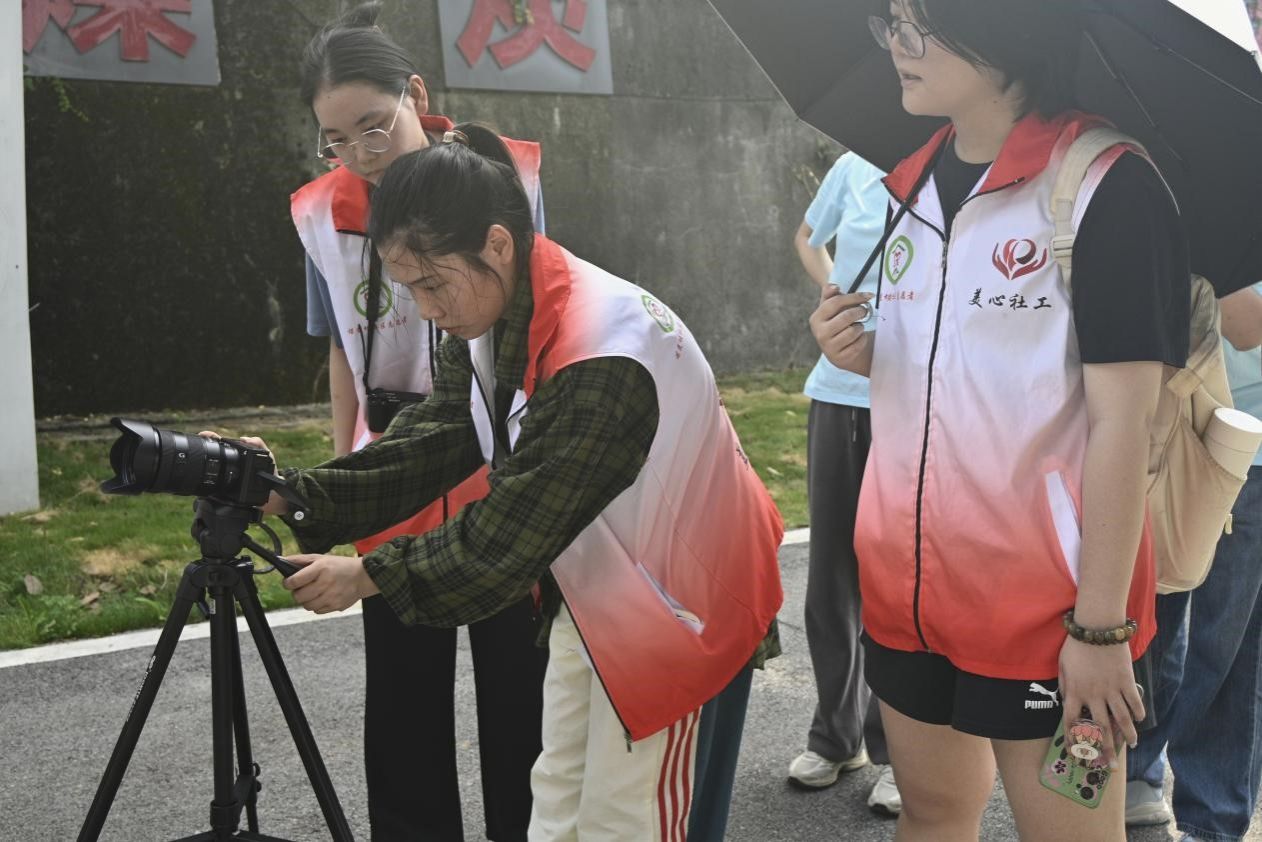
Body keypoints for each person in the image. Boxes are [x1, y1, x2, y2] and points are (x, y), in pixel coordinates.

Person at [237, 124, 784, 840]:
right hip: (598, 584)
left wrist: (368, 575)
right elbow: (434, 438)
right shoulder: (499, 308)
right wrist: (290, 493)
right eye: (410, 289)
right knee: (555, 808)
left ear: (496, 243)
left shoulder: (604, 355)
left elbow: (507, 537)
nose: (426, 309)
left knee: (631, 822)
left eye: (432, 284)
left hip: (683, 606)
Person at [810, 1, 1190, 839]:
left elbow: (1124, 425)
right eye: (890, 23)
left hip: (1053, 617)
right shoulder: (909, 183)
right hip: (907, 596)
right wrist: (865, 354)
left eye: (920, 24)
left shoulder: (1109, 188)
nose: (898, 46)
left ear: (1003, 26)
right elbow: (958, 369)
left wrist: (1100, 632)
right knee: (933, 812)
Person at [290, 5, 547, 839]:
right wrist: (341, 476)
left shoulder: (504, 178)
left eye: (375, 126)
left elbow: (538, 316)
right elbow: (340, 347)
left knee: (519, 689)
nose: (362, 153)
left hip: (491, 442)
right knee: (403, 699)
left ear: (417, 95)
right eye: (337, 139)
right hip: (394, 463)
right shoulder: (319, 213)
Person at [1124, 284, 1262, 842]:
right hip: (1160, 430)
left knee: (1226, 647)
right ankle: (1133, 771)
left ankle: (1211, 818)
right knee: (1147, 619)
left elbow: (1248, 327)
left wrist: (1202, 262)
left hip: (1244, 445)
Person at [787, 151, 900, 816]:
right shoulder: (854, 165)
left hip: (911, 394)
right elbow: (808, 236)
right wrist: (835, 291)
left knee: (898, 581)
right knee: (830, 576)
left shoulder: (958, 164)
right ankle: (837, 735)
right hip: (837, 393)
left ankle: (902, 752)